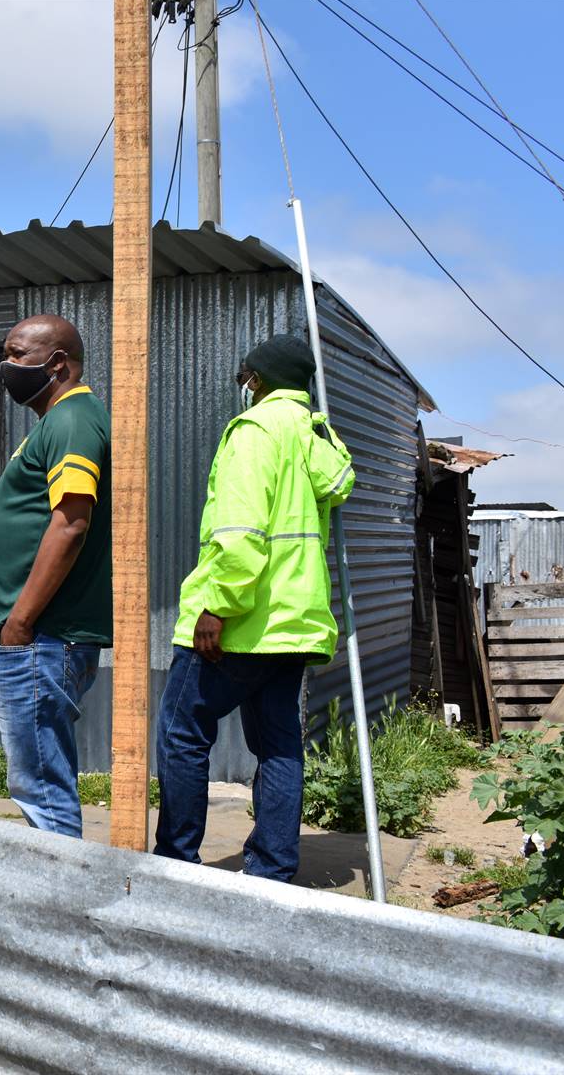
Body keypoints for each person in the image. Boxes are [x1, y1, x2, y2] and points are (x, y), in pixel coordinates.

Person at [153, 333, 355, 882]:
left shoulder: (254, 431)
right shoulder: (316, 436)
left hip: (242, 623)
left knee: (182, 730)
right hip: (293, 627)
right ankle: (272, 870)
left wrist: (216, 606)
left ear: (260, 381)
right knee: (279, 745)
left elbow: (240, 537)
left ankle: (177, 862)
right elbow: (339, 483)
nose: (243, 386)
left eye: (246, 377)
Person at [0, 314, 112, 838]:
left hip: (40, 637)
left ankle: (59, 908)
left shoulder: (73, 418)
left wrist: (20, 622)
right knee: (38, 778)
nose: (5, 367)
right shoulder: (57, 421)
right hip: (37, 637)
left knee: (41, 785)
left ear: (57, 364)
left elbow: (71, 523)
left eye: (16, 354)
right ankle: (56, 898)